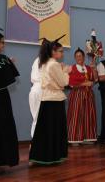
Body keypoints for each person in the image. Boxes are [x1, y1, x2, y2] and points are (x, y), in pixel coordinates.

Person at [29, 35, 71, 165]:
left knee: (47, 129)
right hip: (54, 100)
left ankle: (46, 155)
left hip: (48, 99)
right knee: (53, 129)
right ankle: (51, 155)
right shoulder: (53, 64)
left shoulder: (46, 62)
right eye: (60, 51)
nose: (62, 53)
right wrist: (66, 71)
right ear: (53, 51)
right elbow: (63, 82)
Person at [0, 27, 19, 170]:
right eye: (1, 42)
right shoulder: (3, 59)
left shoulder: (3, 59)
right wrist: (8, 63)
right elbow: (10, 77)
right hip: (1, 99)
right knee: (2, 127)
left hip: (1, 97)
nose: (3, 45)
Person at [67, 48, 98, 145]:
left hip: (88, 95)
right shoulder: (72, 68)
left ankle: (87, 137)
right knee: (76, 115)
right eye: (77, 56)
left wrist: (94, 68)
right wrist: (84, 83)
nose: (79, 58)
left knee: (88, 115)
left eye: (80, 56)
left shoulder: (88, 68)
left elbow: (95, 79)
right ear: (75, 58)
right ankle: (75, 138)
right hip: (77, 94)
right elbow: (70, 83)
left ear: (84, 57)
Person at [29, 56, 42, 138]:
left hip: (34, 90)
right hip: (41, 90)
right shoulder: (47, 61)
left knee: (36, 118)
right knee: (39, 118)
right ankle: (37, 143)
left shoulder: (36, 59)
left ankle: (34, 142)